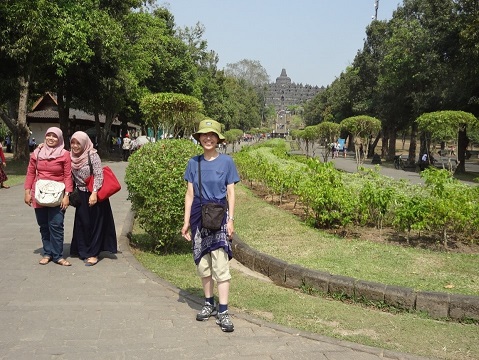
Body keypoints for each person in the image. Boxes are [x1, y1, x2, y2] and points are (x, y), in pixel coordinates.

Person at [181, 119, 240, 333]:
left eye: (212, 135)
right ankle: (208, 303)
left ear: (218, 139)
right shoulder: (192, 163)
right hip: (198, 217)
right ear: (199, 138)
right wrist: (186, 221)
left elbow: (231, 192)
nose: (208, 138)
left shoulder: (227, 163)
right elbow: (189, 194)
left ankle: (223, 311)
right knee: (204, 265)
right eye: (204, 135)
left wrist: (231, 219)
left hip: (218, 217)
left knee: (221, 265)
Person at [24, 127, 73, 266]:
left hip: (58, 195)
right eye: (48, 135)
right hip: (39, 194)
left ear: (60, 139)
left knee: (56, 224)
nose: (51, 138)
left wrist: (67, 195)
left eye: (55, 136)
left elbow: (68, 175)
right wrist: (27, 191)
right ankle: (47, 253)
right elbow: (31, 172)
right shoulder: (37, 152)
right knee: (44, 225)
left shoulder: (64, 154)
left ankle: (58, 256)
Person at [69, 131, 118, 266]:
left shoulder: (92, 155)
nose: (75, 146)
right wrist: (41, 146)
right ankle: (82, 249)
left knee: (95, 224)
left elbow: (99, 175)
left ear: (84, 143)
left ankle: (93, 253)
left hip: (94, 193)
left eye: (78, 143)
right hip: (80, 193)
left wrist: (94, 192)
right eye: (73, 142)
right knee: (82, 223)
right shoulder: (70, 156)